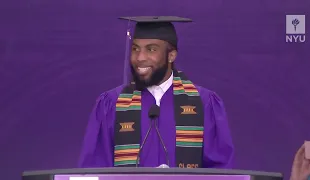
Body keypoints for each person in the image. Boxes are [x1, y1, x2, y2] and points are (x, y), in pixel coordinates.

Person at [78, 16, 234, 168]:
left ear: (171, 55)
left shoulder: (204, 103)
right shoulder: (111, 104)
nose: (140, 57)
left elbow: (221, 171)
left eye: (151, 49)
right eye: (135, 49)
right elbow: (94, 169)